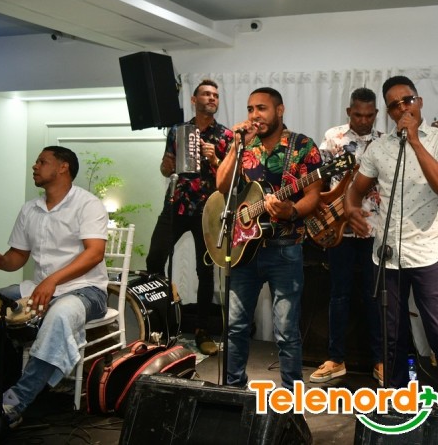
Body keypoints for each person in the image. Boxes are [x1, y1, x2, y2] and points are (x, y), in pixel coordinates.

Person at [345, 75, 438, 395]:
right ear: (388, 112)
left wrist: (415, 141)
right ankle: (398, 403)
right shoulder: (379, 148)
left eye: (407, 100)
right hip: (387, 256)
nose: (402, 108)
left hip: (427, 254)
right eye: (394, 105)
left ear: (419, 101)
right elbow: (354, 191)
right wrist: (351, 210)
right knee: (393, 338)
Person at [0, 146, 108, 431]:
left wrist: (53, 280)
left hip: (87, 290)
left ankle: (14, 403)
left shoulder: (88, 204)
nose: (35, 166)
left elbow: (95, 253)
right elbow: (18, 256)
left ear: (63, 167)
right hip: (38, 288)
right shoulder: (30, 209)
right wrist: (2, 261)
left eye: (42, 161)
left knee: (59, 316)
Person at [216, 87, 322, 390]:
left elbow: (314, 195)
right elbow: (222, 186)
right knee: (235, 327)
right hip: (242, 250)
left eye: (261, 108)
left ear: (280, 110)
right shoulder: (245, 146)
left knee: (286, 331)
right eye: (250, 109)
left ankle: (291, 397)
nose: (254, 115)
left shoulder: (302, 146)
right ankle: (234, 390)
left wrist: (291, 211)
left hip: (285, 250)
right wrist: (236, 147)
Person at [147, 79, 234, 355]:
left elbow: (231, 180)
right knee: (154, 261)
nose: (212, 98)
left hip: (207, 210)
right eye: (206, 94)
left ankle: (202, 330)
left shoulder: (226, 136)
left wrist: (215, 159)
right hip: (176, 204)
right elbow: (166, 168)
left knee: (205, 271)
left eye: (215, 95)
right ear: (194, 100)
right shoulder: (178, 130)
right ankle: (161, 323)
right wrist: (166, 166)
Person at [309, 88, 384, 385]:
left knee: (373, 296)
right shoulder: (333, 138)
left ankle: (380, 361)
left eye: (369, 115)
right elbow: (320, 179)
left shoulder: (386, 143)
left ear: (376, 114)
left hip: (372, 229)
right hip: (337, 227)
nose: (363, 120)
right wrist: (320, 207)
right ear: (348, 112)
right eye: (358, 115)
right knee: (338, 295)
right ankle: (335, 359)